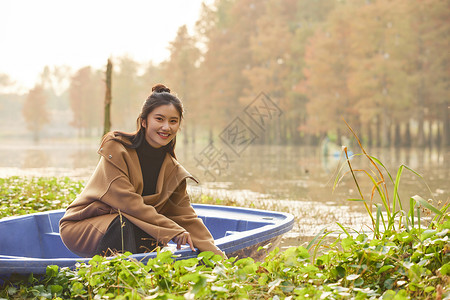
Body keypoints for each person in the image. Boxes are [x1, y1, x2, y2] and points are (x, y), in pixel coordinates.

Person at [59, 84, 225, 258]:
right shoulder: (117, 150)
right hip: (83, 226)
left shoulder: (174, 171)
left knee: (145, 232)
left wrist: (218, 257)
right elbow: (128, 203)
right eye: (159, 119)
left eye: (173, 121)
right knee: (126, 225)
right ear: (144, 121)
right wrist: (172, 230)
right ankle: (114, 281)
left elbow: (186, 217)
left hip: (131, 224)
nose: (166, 127)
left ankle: (138, 279)